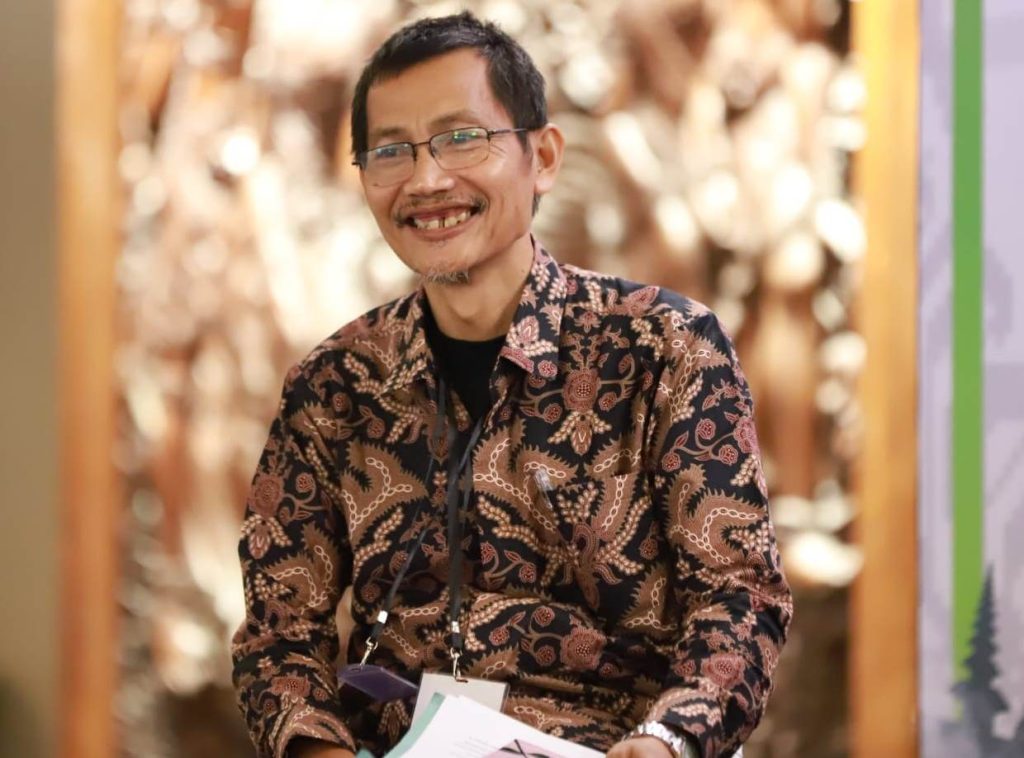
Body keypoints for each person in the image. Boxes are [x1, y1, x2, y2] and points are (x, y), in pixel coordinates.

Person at [231, 12, 792, 758]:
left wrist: (668, 739)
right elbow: (277, 636)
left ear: (544, 157)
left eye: (462, 138)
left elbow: (739, 597)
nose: (427, 181)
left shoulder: (666, 347)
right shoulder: (334, 386)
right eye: (391, 151)